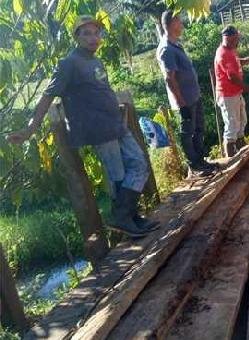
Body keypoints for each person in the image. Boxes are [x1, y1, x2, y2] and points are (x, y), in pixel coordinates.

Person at [6, 16, 157, 238]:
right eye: (86, 33)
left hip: (115, 124)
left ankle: (126, 216)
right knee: (117, 174)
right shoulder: (69, 63)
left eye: (96, 33)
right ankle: (126, 218)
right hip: (97, 129)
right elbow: (48, 96)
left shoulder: (96, 61)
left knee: (139, 163)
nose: (93, 38)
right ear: (76, 36)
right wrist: (30, 129)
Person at [156, 11, 216, 175]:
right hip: (185, 101)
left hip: (193, 97)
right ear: (170, 23)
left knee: (198, 130)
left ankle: (201, 161)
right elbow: (170, 78)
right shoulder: (166, 49)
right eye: (178, 20)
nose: (182, 23)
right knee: (188, 132)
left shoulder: (176, 45)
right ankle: (194, 165)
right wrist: (181, 103)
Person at [213, 25, 249, 157]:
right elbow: (233, 78)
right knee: (232, 126)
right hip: (227, 95)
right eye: (236, 38)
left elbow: (236, 61)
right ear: (227, 38)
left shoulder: (231, 50)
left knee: (242, 121)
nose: (238, 41)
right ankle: (230, 159)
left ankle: (241, 148)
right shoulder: (223, 54)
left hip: (235, 94)